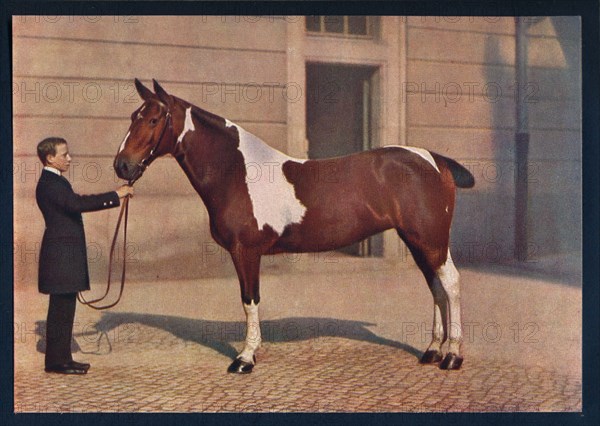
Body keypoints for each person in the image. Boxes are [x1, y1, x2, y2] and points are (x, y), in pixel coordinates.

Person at [35, 137, 134, 374]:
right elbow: (76, 204)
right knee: (60, 308)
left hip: (63, 255)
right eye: (64, 154)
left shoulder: (56, 181)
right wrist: (116, 194)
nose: (69, 158)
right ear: (50, 158)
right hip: (61, 256)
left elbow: (72, 203)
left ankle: (62, 359)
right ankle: (56, 362)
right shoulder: (50, 183)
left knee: (65, 307)